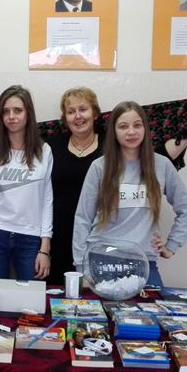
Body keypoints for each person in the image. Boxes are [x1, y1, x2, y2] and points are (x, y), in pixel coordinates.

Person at [73, 101, 187, 289]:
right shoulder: (99, 167)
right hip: (102, 259)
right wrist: (81, 268)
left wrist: (171, 246)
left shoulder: (161, 165)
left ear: (145, 128)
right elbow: (83, 218)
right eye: (123, 126)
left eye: (137, 125)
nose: (131, 132)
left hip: (144, 261)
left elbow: (186, 210)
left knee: (152, 308)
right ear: (114, 132)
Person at [0, 85, 53, 280]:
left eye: (17, 110)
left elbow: (46, 201)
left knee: (30, 295)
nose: (11, 116)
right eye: (6, 111)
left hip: (29, 237)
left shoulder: (44, 151)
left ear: (28, 113)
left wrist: (44, 249)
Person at [47, 87, 105, 280]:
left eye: (83, 109)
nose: (78, 116)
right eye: (71, 112)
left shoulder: (111, 146)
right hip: (59, 236)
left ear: (95, 113)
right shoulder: (52, 146)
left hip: (99, 236)